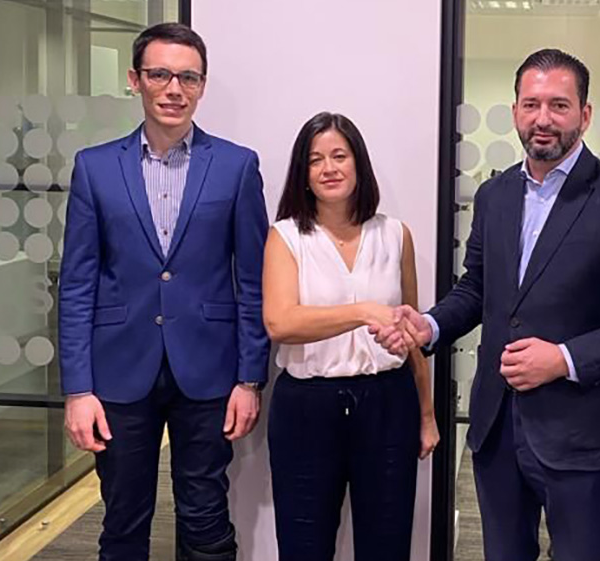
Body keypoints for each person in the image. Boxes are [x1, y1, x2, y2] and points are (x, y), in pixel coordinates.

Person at [374, 49, 600, 561]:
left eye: (559, 105)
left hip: (581, 436)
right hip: (497, 427)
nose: (543, 118)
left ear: (585, 114)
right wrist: (429, 325)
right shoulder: (494, 196)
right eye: (531, 104)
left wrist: (563, 358)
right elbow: (477, 288)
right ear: (515, 110)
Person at [59, 22, 269, 561]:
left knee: (205, 517)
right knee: (123, 519)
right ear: (136, 80)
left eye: (187, 78)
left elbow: (252, 281)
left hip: (210, 369)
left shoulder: (237, 166)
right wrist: (78, 390)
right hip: (118, 370)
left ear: (201, 86)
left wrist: (250, 378)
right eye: (160, 75)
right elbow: (78, 285)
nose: (174, 89)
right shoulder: (94, 167)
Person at [262, 112, 439, 561]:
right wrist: (362, 312)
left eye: (339, 156)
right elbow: (281, 323)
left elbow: (411, 333)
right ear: (303, 174)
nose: (329, 168)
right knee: (304, 547)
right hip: (307, 407)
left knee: (387, 545)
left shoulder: (395, 234)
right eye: (315, 159)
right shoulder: (286, 236)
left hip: (388, 402)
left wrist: (427, 414)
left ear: (358, 163)